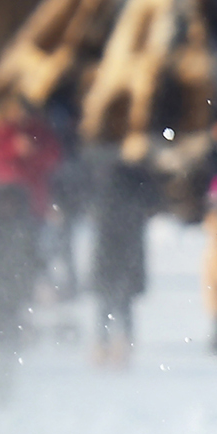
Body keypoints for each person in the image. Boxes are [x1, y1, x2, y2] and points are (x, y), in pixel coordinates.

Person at [90, 144, 159, 366]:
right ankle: (123, 346)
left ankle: (103, 346)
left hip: (109, 251)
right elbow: (153, 204)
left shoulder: (106, 182)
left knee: (106, 304)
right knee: (123, 303)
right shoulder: (140, 182)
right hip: (126, 249)